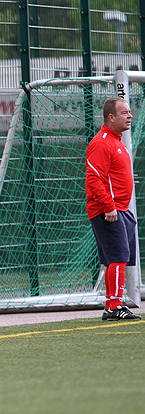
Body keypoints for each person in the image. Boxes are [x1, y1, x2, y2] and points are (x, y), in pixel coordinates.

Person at [85, 97, 141, 321]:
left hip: (121, 209)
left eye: (129, 112)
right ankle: (115, 306)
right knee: (118, 257)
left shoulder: (118, 141)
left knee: (118, 258)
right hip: (109, 210)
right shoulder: (101, 143)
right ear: (111, 117)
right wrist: (109, 207)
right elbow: (94, 179)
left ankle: (112, 305)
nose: (130, 116)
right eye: (124, 112)